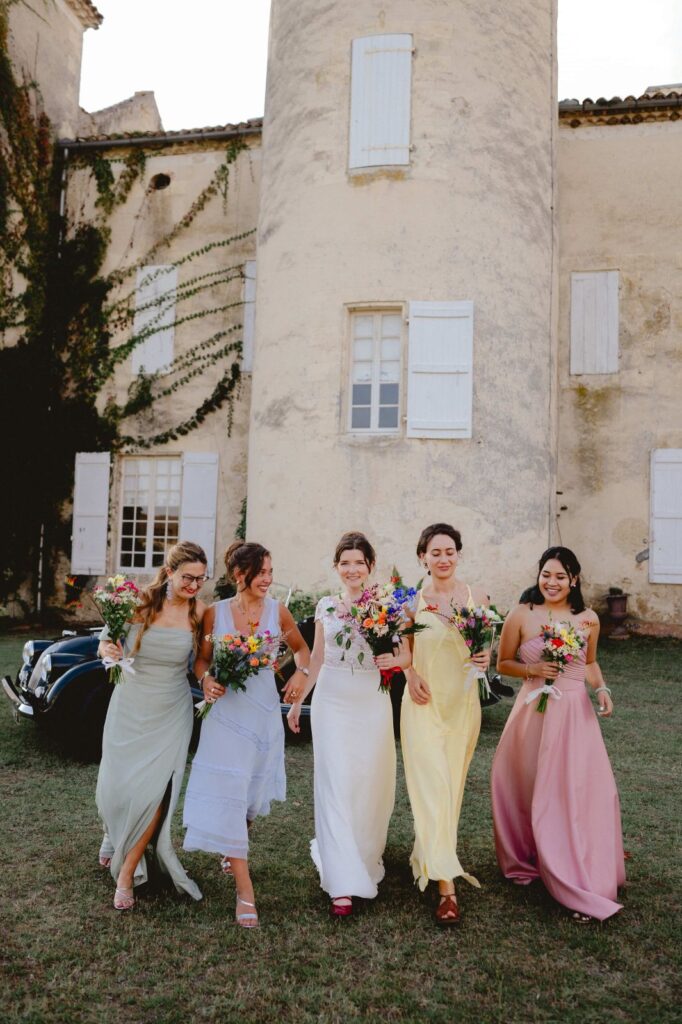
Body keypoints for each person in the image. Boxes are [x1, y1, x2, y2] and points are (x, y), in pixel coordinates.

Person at [491, 546, 625, 922]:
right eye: (546, 574)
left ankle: (578, 869)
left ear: (574, 580)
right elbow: (503, 663)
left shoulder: (588, 619)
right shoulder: (521, 614)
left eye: (560, 576)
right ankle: (531, 854)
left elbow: (590, 662)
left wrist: (601, 689)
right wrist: (533, 671)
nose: (552, 582)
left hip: (573, 714)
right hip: (532, 712)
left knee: (575, 790)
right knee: (527, 785)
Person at [183, 540, 309, 928]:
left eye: (270, 572)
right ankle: (245, 890)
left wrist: (300, 675)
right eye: (261, 572)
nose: (267, 579)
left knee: (251, 797)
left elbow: (301, 650)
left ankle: (232, 843)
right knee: (231, 794)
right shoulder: (215, 615)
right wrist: (206, 681)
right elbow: (202, 660)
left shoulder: (278, 611)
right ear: (240, 575)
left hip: (263, 714)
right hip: (225, 717)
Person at [287, 532, 397, 918]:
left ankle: (362, 854)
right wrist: (299, 700)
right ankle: (341, 880)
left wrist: (396, 662)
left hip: (371, 700)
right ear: (336, 567)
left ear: (370, 566)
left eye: (359, 563)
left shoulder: (386, 606)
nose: (352, 569)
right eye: (345, 563)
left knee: (367, 782)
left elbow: (402, 654)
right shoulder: (326, 606)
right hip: (331, 702)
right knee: (334, 783)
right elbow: (317, 658)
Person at [96, 540, 207, 911]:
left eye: (201, 579)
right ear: (169, 572)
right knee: (116, 785)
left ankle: (127, 874)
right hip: (131, 702)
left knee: (156, 790)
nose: (194, 585)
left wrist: (214, 675)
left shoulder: (200, 612)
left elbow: (202, 661)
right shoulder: (138, 601)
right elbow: (106, 640)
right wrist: (110, 650)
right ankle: (113, 832)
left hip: (172, 707)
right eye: (188, 577)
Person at [401, 523, 491, 925]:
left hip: (462, 707)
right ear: (423, 557)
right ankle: (446, 889)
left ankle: (430, 854)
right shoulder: (411, 602)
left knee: (450, 789)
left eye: (449, 551)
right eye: (435, 552)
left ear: (459, 554)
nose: (443, 558)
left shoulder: (477, 598)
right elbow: (403, 651)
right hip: (423, 704)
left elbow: (484, 650)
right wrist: (410, 675)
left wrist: (484, 658)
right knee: (433, 786)